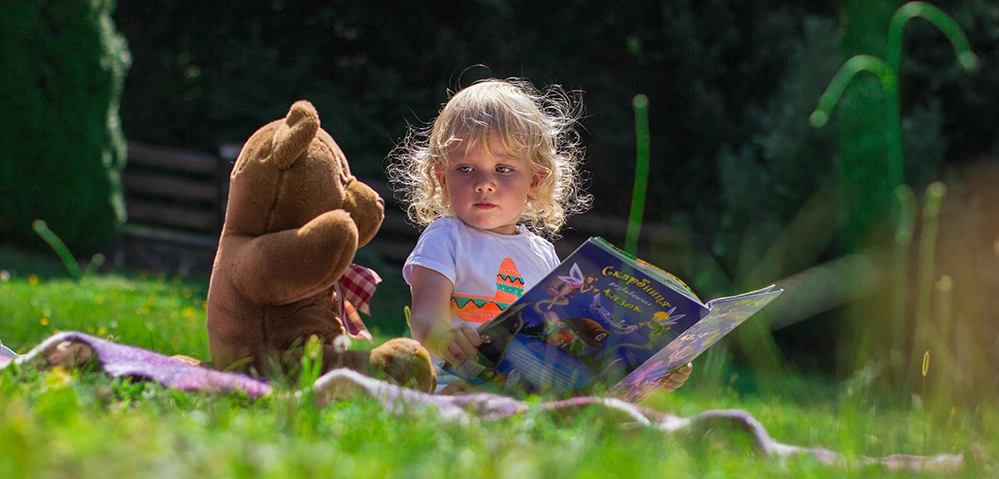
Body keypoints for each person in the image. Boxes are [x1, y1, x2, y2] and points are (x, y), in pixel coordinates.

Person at [389, 78, 692, 394]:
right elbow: (425, 316)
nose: (484, 183)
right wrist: (443, 338)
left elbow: (558, 334)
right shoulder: (446, 238)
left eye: (503, 169)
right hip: (455, 382)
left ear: (535, 180)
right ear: (442, 178)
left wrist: (656, 368)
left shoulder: (542, 253)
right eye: (465, 168)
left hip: (527, 392)